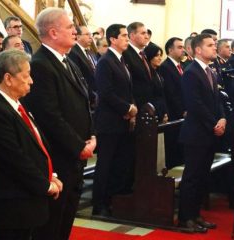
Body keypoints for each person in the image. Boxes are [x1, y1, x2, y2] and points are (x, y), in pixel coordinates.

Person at [0, 49, 63, 239]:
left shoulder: (16, 104)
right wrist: (45, 185)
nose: (31, 80)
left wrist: (51, 175)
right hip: (9, 206)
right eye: (26, 75)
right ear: (8, 78)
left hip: (25, 201)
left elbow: (37, 145)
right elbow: (14, 158)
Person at [23, 7, 95, 240]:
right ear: (53, 33)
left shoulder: (68, 61)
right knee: (52, 223)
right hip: (58, 156)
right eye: (70, 27)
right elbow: (49, 115)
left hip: (74, 156)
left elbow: (83, 103)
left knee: (66, 218)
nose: (75, 31)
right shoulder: (41, 64)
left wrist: (91, 136)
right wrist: (78, 145)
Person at [178, 33, 226, 233]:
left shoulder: (210, 70)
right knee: (192, 177)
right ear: (198, 50)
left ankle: (196, 214)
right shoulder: (191, 72)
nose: (214, 47)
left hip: (208, 132)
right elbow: (194, 104)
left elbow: (217, 100)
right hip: (196, 133)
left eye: (215, 44)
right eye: (210, 45)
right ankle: (185, 217)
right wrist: (214, 122)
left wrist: (222, 118)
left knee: (203, 176)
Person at [92, 23, 137, 217]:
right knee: (105, 164)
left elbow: (127, 89)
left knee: (119, 163)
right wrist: (127, 108)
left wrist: (131, 107)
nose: (127, 39)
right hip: (109, 122)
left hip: (122, 121)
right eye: (124, 36)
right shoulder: (105, 61)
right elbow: (106, 92)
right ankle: (99, 204)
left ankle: (112, 200)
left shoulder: (121, 60)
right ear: (113, 39)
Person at [159, 37, 185, 169]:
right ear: (170, 50)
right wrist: (182, 110)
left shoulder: (181, 66)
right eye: (179, 47)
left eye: (183, 47)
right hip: (174, 113)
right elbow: (171, 93)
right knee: (173, 147)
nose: (183, 50)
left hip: (182, 115)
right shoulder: (165, 67)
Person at [68, 25, 98, 109]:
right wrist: (92, 95)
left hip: (97, 93)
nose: (90, 37)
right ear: (78, 37)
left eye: (91, 35)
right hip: (89, 97)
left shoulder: (89, 52)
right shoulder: (73, 52)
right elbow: (80, 76)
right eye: (87, 34)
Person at [144, 43, 168, 123]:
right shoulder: (147, 73)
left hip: (161, 110)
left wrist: (165, 112)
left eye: (160, 55)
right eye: (157, 55)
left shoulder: (158, 72)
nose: (160, 58)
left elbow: (162, 94)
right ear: (150, 56)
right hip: (152, 112)